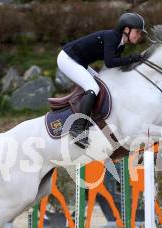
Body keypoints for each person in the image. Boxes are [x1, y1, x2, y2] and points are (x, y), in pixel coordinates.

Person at [57, 12, 146, 146]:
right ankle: (77, 128)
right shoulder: (112, 37)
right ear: (126, 29)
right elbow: (110, 62)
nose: (139, 36)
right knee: (92, 88)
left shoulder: (120, 43)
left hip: (79, 61)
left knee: (103, 84)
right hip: (67, 59)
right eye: (137, 32)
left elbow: (113, 68)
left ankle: (94, 120)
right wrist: (132, 59)